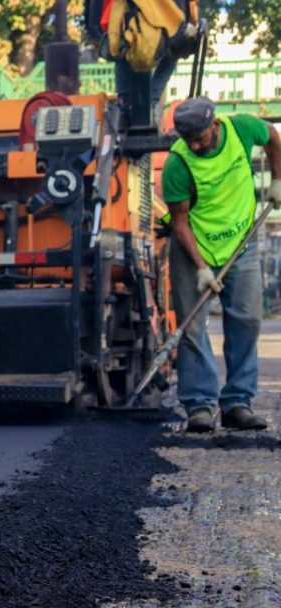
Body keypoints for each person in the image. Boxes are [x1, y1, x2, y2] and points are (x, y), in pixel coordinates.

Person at [163, 96, 281, 432]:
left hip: (241, 242)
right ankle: (199, 405)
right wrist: (201, 267)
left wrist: (277, 180)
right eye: (190, 140)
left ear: (215, 124)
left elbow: (272, 134)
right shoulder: (178, 164)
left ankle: (237, 404)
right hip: (194, 248)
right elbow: (180, 222)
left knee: (246, 320)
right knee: (193, 327)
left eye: (201, 137)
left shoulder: (242, 128)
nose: (196, 145)